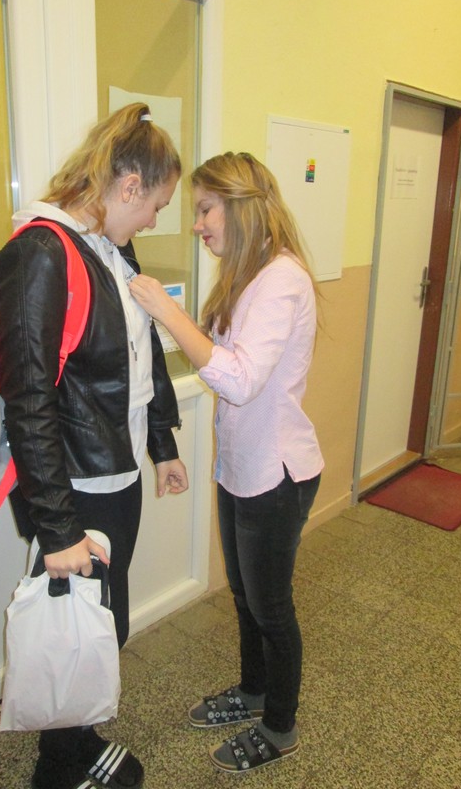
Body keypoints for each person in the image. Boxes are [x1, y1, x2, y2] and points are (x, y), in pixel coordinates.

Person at [0, 103, 188, 789]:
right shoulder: (40, 253)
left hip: (116, 471)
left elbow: (142, 355)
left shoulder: (108, 247)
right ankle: (59, 767)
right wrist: (56, 527)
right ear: (129, 187)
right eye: (156, 205)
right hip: (73, 485)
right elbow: (28, 400)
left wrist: (162, 442)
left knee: (102, 620)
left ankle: (79, 740)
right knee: (74, 628)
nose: (154, 220)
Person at [129, 151, 324, 775]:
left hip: (277, 473)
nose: (197, 225)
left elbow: (238, 380)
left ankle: (280, 726)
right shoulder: (246, 276)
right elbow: (220, 359)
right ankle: (253, 690)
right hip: (241, 466)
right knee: (244, 595)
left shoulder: (282, 279)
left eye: (206, 210)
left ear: (240, 207)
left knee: (271, 607)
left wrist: (170, 313)